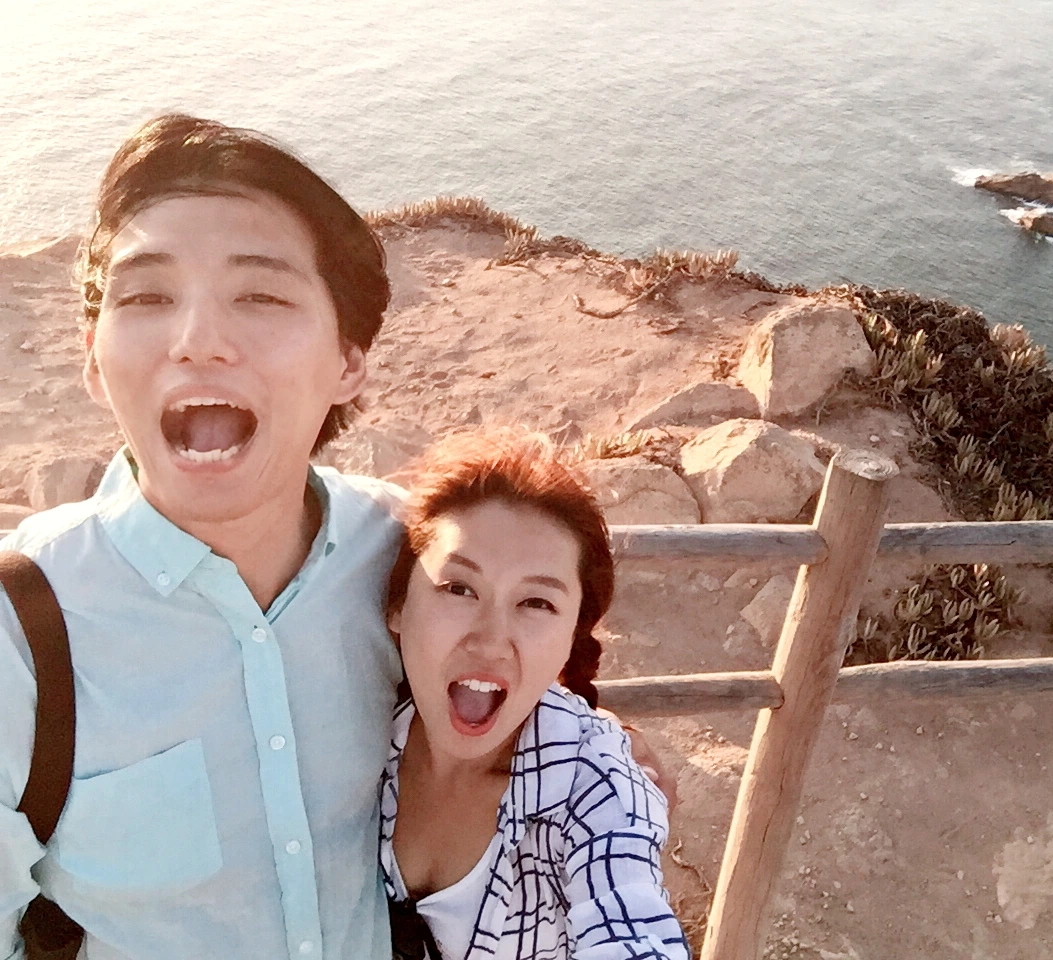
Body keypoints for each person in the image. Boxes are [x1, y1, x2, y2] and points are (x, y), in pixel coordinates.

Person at [0, 114, 669, 960]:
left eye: (261, 296)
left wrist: (606, 755)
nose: (198, 340)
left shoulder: (407, 555)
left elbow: (509, 671)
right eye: (146, 297)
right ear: (94, 361)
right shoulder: (22, 636)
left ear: (350, 361)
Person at [380, 430, 688, 960]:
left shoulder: (594, 787)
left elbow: (631, 925)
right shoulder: (353, 729)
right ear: (398, 608)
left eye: (536, 603)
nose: (490, 641)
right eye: (459, 589)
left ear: (572, 636)